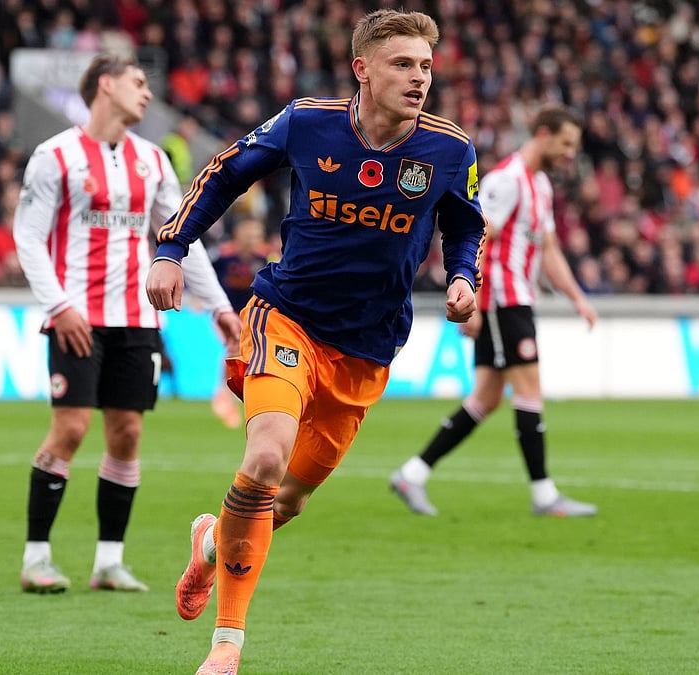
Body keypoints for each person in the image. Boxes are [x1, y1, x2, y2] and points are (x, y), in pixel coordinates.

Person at [146, 10, 485, 674]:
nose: (419, 78)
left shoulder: (451, 149)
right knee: (265, 458)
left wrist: (465, 277)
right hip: (287, 317)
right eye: (402, 65)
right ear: (362, 69)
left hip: (366, 349)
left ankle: (213, 543)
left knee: (288, 500)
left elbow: (465, 224)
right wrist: (170, 248)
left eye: (425, 66)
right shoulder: (307, 122)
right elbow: (223, 173)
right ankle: (227, 643)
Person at [12, 53, 242, 594]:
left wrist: (219, 306)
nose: (147, 94)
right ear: (105, 86)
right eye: (139, 83)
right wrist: (58, 305)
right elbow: (28, 236)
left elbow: (180, 239)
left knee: (128, 433)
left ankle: (109, 562)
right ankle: (35, 557)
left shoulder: (153, 161)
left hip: (138, 319)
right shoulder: (55, 156)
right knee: (69, 429)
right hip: (77, 318)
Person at [389, 104, 599, 517]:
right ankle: (544, 495)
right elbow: (476, 236)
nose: (571, 154)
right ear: (542, 133)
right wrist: (476, 304)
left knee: (485, 399)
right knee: (529, 391)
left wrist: (577, 297)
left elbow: (549, 248)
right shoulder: (506, 181)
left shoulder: (540, 184)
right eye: (567, 143)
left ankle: (411, 474)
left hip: (516, 299)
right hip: (502, 300)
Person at [209, 216, 273, 429]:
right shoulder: (224, 257)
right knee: (233, 349)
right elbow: (207, 275)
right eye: (248, 234)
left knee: (248, 353)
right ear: (238, 235)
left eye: (256, 235)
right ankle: (224, 395)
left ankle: (234, 395)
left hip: (255, 315)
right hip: (227, 313)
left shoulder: (266, 257)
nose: (252, 239)